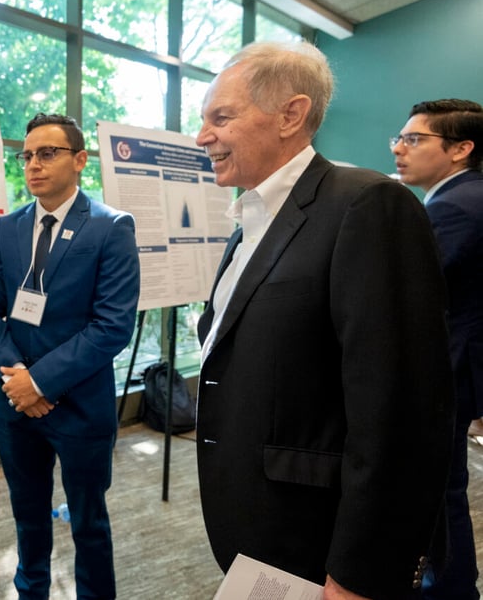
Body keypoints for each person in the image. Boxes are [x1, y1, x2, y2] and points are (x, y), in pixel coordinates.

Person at [194, 42, 454, 598]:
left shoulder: (367, 206)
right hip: (260, 529)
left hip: (320, 541)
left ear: (291, 114)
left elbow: (402, 410)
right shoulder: (252, 221)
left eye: (221, 117)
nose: (202, 137)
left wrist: (362, 571)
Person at [0, 113, 140, 599]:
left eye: (48, 153)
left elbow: (113, 327)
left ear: (80, 160)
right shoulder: (8, 228)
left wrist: (39, 382)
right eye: (27, 155)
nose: (33, 165)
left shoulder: (111, 228)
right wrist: (17, 380)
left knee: (89, 524)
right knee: (28, 518)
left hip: (80, 405)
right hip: (15, 402)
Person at [392, 98, 483, 599]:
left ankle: (449, 591)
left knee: (438, 493)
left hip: (450, 368)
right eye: (398, 139)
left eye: (414, 139)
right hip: (461, 362)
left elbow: (410, 290)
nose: (400, 149)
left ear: (461, 149)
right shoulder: (465, 197)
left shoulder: (456, 205)